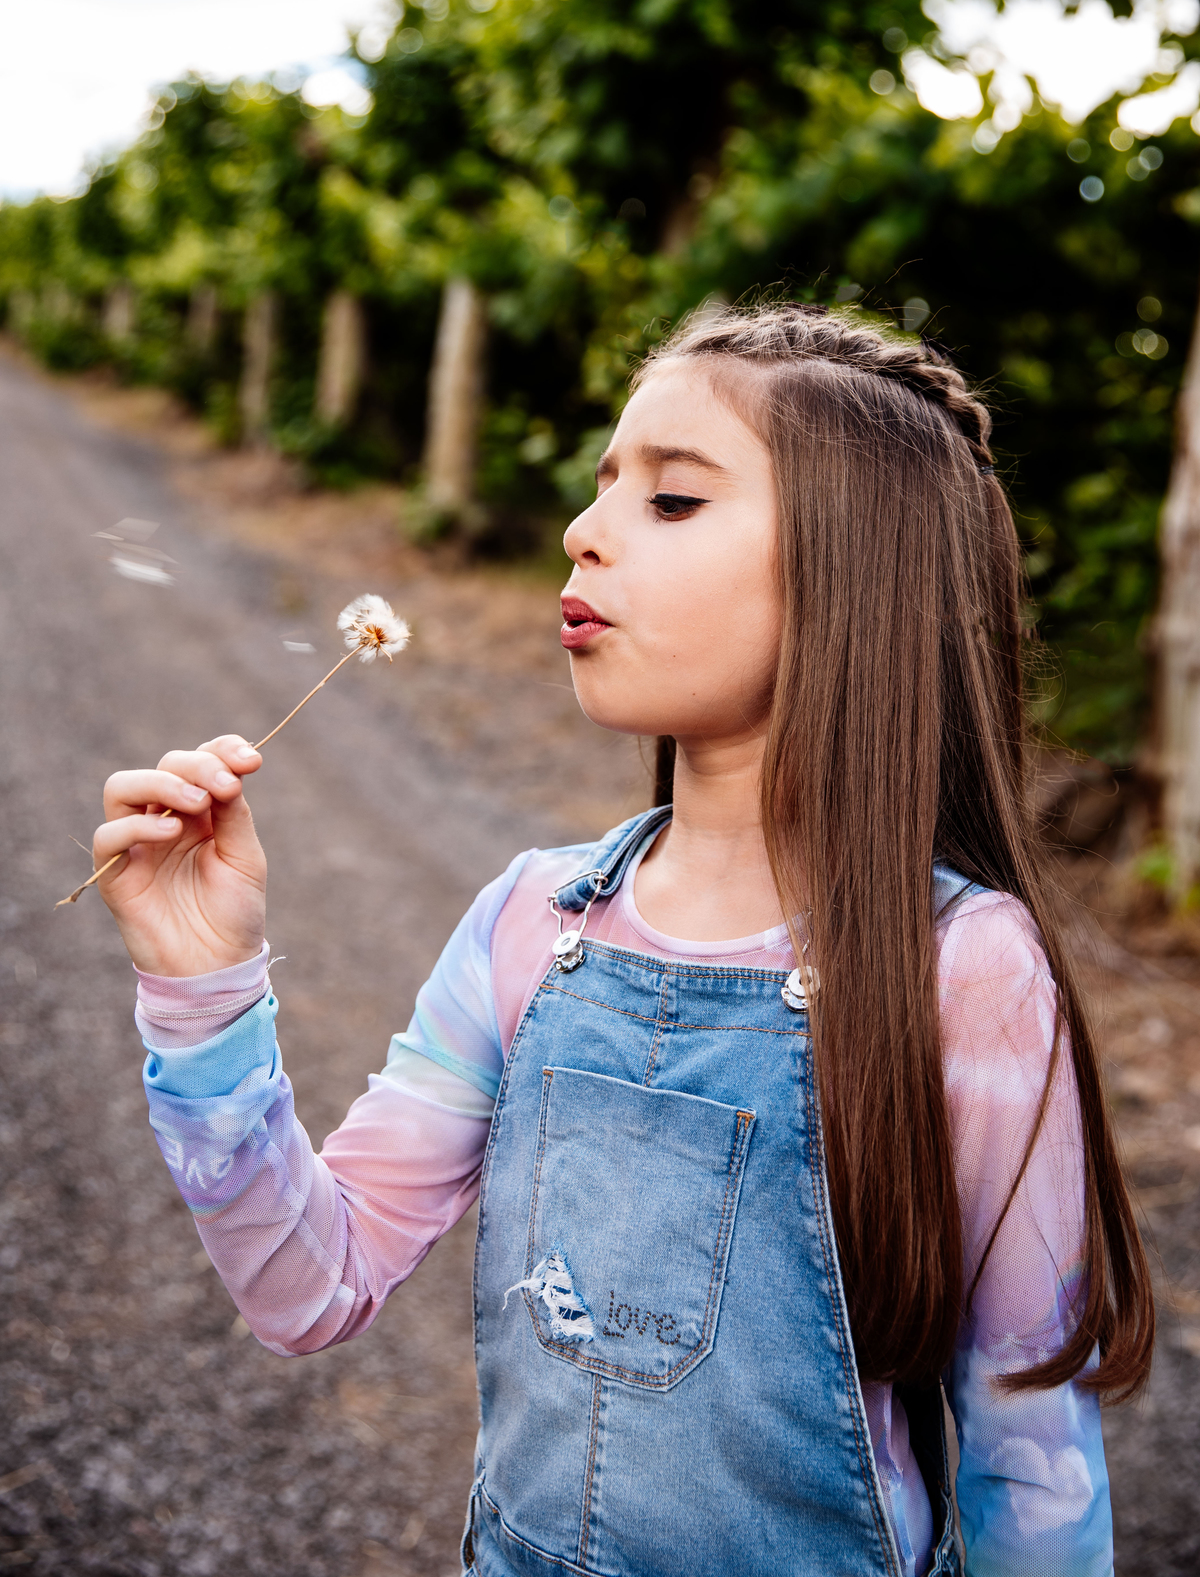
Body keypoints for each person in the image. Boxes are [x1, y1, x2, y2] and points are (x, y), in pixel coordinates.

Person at [93, 304, 1152, 1577]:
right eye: (602, 490)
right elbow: (306, 1289)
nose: (581, 534)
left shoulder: (967, 970)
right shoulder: (529, 924)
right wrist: (201, 989)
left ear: (854, 570)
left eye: (673, 500)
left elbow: (1031, 1457)